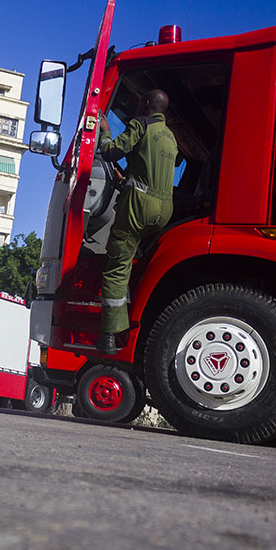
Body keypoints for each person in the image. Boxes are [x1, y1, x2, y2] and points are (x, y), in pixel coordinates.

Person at [97, 89, 178, 354]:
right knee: (138, 263)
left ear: (145, 103)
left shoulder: (140, 125)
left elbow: (110, 152)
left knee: (117, 266)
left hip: (138, 208)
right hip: (163, 212)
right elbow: (149, 170)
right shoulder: (170, 137)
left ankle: (110, 334)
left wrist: (105, 131)